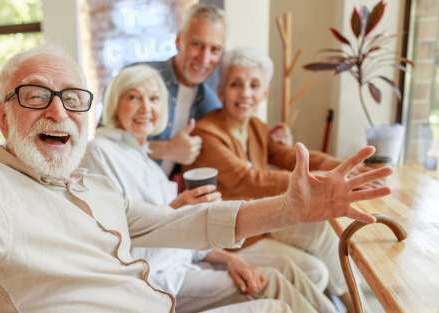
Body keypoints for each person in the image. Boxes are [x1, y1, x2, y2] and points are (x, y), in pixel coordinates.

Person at [0, 44, 391, 313]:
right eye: (35, 96)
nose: (57, 112)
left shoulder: (89, 186)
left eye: (73, 99)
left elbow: (183, 223)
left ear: (87, 114)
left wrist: (290, 210)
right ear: (2, 116)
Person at [81, 64, 339, 313]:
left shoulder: (146, 161)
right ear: (115, 104)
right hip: (155, 278)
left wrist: (230, 259)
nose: (146, 108)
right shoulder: (101, 152)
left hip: (187, 264)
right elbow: (115, 239)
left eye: (154, 98)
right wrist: (175, 211)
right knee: (269, 282)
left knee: (288, 270)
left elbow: (186, 234)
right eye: (134, 97)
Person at [185, 47, 377, 312]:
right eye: (235, 84)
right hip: (233, 236)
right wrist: (319, 181)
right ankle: (354, 305)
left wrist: (345, 169)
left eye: (254, 85)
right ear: (220, 91)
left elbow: (292, 157)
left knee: (324, 227)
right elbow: (250, 179)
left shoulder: (254, 127)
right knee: (316, 269)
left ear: (264, 93)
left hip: (261, 224)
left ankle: (356, 305)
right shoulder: (208, 134)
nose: (245, 93)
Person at [139, 3, 224, 176]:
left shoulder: (211, 105)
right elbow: (104, 142)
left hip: (168, 199)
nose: (205, 58)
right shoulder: (139, 78)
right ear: (178, 41)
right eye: (197, 44)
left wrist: (274, 141)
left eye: (214, 49)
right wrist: (167, 149)